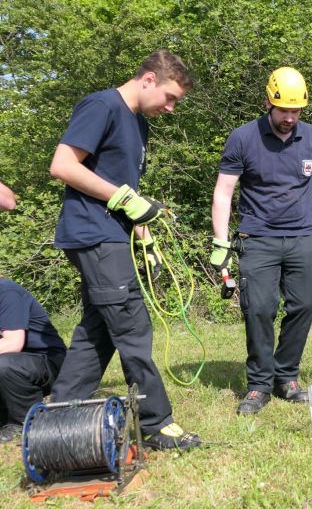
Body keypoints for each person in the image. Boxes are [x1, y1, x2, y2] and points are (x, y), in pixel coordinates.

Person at [48, 50, 201, 450]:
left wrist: (143, 234)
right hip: (92, 233)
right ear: (148, 79)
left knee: (98, 329)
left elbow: (124, 189)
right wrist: (124, 199)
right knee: (132, 326)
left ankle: (58, 415)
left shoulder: (137, 122)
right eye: (170, 97)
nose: (171, 108)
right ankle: (156, 424)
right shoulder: (102, 106)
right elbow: (63, 165)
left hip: (114, 235)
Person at [211, 66, 312, 415]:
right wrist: (221, 243)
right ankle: (258, 385)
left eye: (296, 111)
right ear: (268, 103)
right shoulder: (243, 138)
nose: (290, 118)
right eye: (284, 110)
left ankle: (285, 376)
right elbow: (224, 192)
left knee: (304, 305)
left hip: (302, 236)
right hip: (257, 238)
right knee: (258, 309)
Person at [0, 277, 66, 443]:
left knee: (3, 365)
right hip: (15, 365)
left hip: (47, 361)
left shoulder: (7, 292)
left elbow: (13, 342)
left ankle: (24, 422)